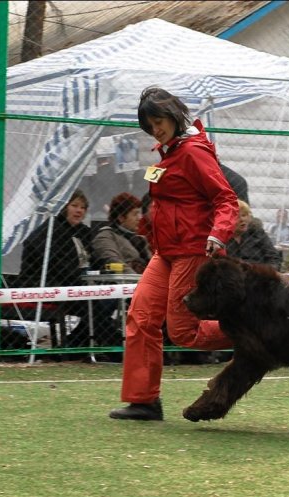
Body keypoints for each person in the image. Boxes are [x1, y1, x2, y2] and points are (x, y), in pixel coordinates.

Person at [108, 86, 238, 421]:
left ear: (173, 115)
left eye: (159, 120)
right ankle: (144, 401)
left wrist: (217, 235)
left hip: (192, 251)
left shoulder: (193, 152)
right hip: (166, 252)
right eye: (150, 124)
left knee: (183, 332)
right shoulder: (170, 152)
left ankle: (259, 329)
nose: (156, 128)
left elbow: (226, 199)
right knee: (140, 317)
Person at [18, 189, 118, 347]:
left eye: (83, 207)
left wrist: (103, 272)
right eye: (75, 205)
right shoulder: (51, 230)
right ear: (64, 207)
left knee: (108, 299)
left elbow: (94, 260)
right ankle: (114, 344)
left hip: (78, 284)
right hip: (48, 285)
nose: (79, 210)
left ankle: (75, 344)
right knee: (93, 305)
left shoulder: (82, 232)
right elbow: (58, 267)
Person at [92, 192, 152, 274]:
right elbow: (114, 262)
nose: (139, 218)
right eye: (135, 214)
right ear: (121, 218)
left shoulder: (140, 240)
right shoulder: (105, 237)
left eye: (139, 213)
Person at [227, 200, 281, 270]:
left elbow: (274, 258)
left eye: (244, 215)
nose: (242, 219)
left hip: (258, 275)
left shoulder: (257, 233)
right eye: (237, 216)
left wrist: (267, 273)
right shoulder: (221, 238)